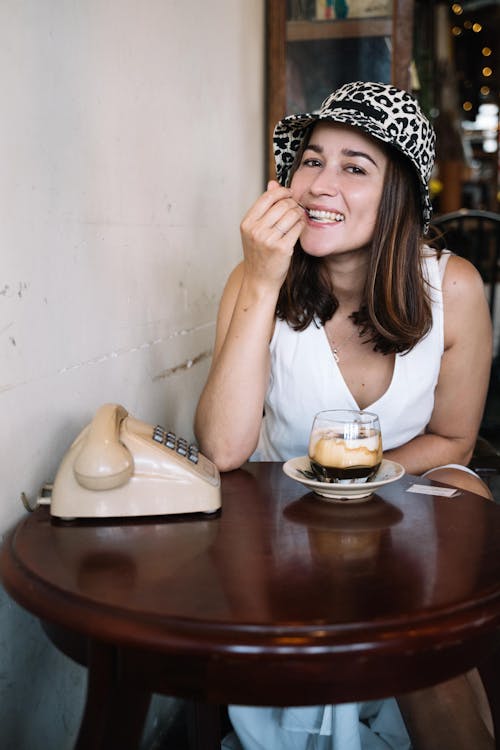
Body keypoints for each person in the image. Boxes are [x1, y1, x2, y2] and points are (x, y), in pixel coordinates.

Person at [194, 81, 494, 749]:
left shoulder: (455, 288)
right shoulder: (255, 278)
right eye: (311, 160)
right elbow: (221, 449)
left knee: (460, 514)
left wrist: (355, 477)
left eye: (355, 167)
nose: (319, 184)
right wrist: (264, 279)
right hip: (282, 528)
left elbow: (454, 441)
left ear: (397, 197)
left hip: (399, 522)